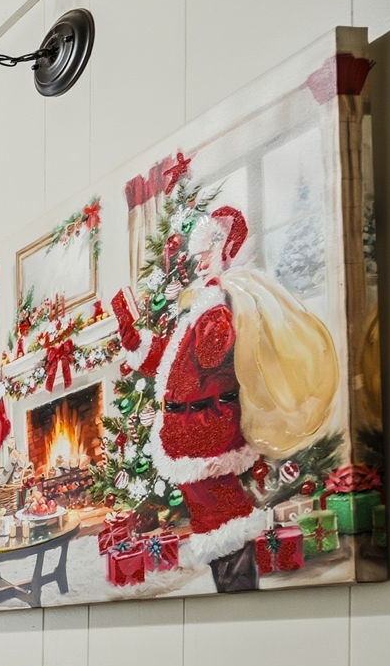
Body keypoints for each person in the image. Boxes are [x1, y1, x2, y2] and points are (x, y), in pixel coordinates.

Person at [110, 203, 339, 592]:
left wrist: (214, 308)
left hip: (207, 437)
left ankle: (237, 593)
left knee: (223, 519)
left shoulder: (225, 303)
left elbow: (215, 354)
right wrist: (134, 335)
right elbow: (168, 361)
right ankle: (232, 589)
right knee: (212, 519)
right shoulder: (200, 304)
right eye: (198, 249)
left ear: (227, 248)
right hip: (189, 436)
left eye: (209, 247)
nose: (199, 256)